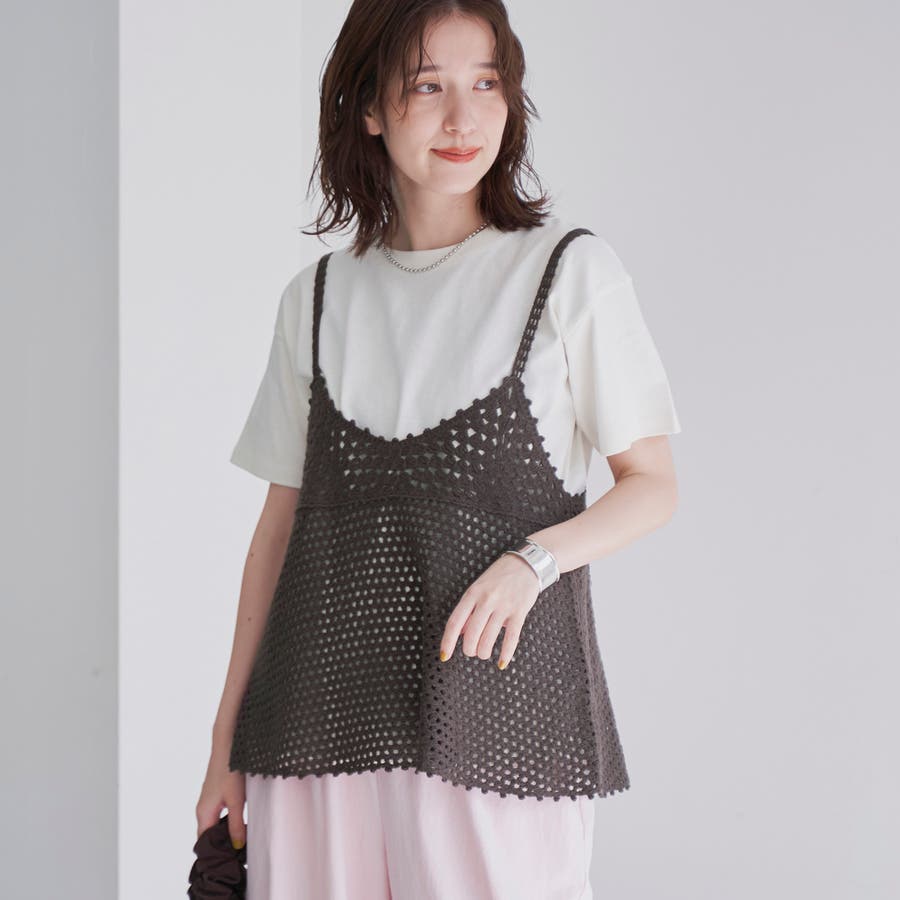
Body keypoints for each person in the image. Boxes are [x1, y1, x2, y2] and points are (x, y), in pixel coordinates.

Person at [195, 1, 682, 897]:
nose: (464, 119)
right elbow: (277, 536)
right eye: (428, 87)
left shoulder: (566, 272)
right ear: (369, 108)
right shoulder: (317, 298)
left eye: (486, 84)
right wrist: (226, 742)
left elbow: (652, 483)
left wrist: (534, 563)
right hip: (313, 728)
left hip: (498, 732)